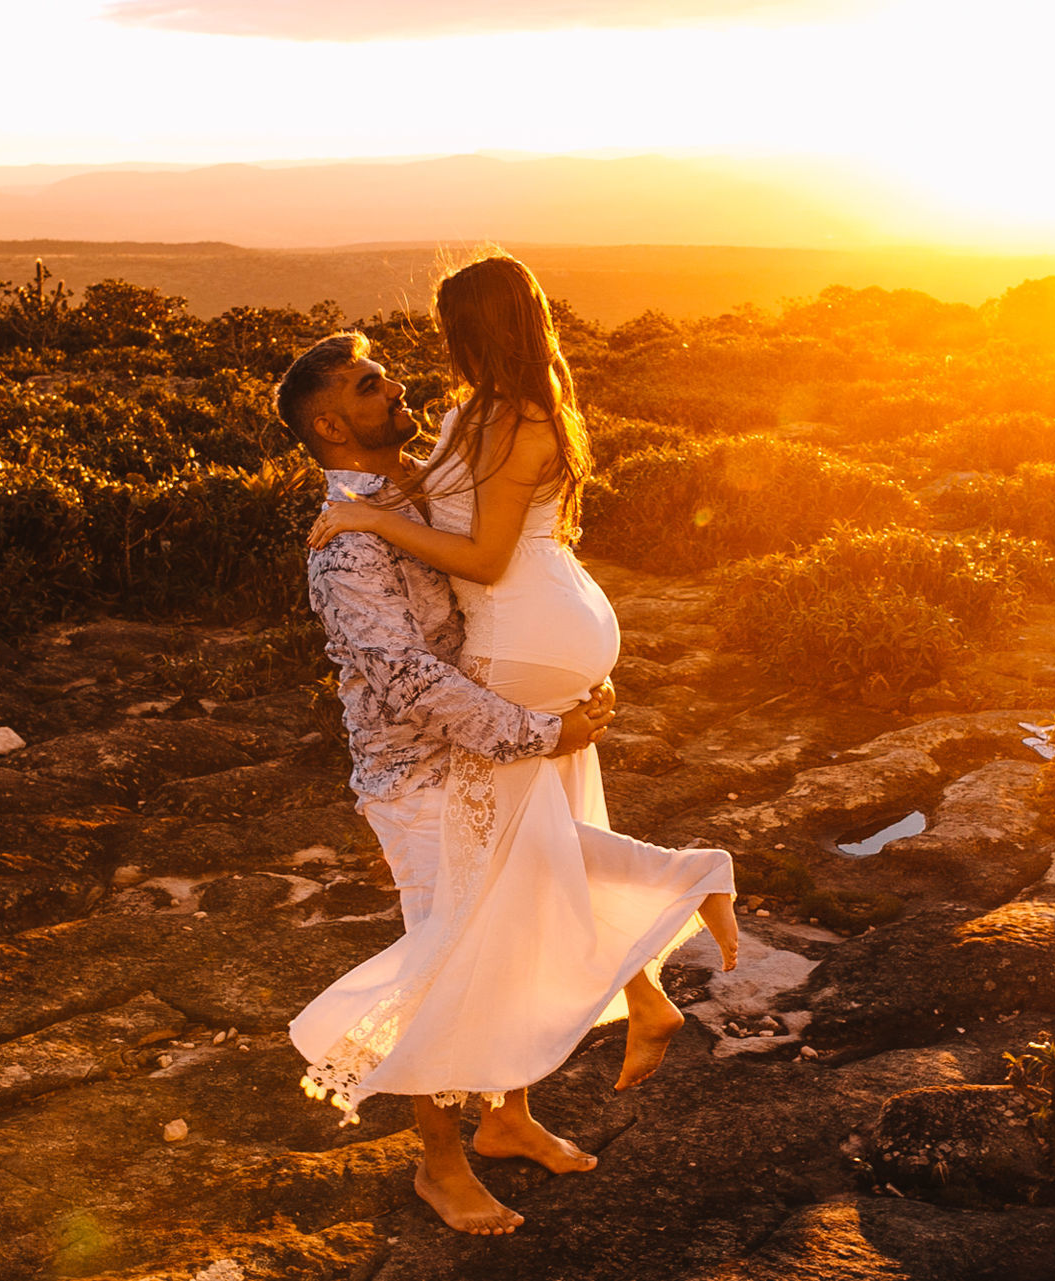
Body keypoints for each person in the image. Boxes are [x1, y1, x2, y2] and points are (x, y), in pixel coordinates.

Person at [281, 261, 737, 1236]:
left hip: (489, 739)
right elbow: (410, 682)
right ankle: (440, 1167)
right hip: (421, 772)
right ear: (326, 426)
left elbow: (480, 549)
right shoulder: (347, 543)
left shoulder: (406, 479)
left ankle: (508, 1119)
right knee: (445, 956)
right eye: (368, 385)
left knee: (516, 918)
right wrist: (542, 727)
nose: (398, 384)